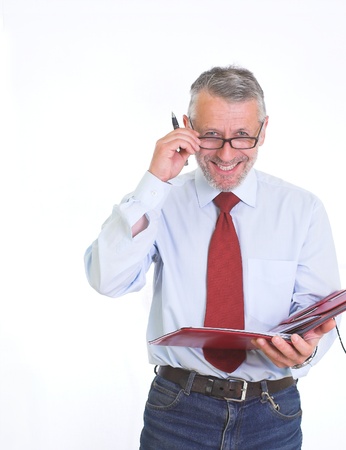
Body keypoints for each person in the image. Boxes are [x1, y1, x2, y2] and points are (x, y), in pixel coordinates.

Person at [84, 65, 341, 449]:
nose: (226, 154)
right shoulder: (160, 201)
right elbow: (107, 279)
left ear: (263, 130)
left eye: (242, 137)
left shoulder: (302, 209)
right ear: (186, 127)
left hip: (272, 413)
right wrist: (155, 181)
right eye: (210, 136)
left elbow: (316, 314)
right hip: (177, 411)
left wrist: (305, 352)